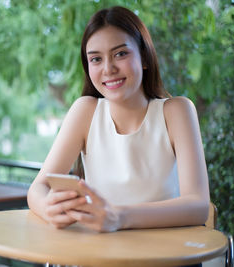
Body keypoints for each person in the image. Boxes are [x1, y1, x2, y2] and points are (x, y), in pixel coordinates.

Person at [27, 6, 210, 233]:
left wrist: (119, 217)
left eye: (121, 54)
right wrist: (48, 209)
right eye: (96, 59)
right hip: (102, 255)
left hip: (165, 255)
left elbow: (198, 206)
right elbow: (38, 188)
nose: (108, 68)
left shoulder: (177, 111)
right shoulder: (85, 111)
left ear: (144, 57)